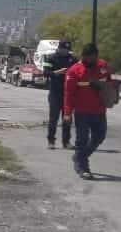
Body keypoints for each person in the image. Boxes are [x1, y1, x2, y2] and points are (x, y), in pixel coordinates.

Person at [63, 43, 111, 179]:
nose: (90, 60)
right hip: (82, 111)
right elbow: (68, 94)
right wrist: (67, 113)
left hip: (99, 109)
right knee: (82, 139)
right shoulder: (74, 71)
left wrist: (104, 87)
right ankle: (83, 168)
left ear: (96, 57)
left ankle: (79, 156)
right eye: (87, 58)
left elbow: (109, 82)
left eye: (92, 58)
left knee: (100, 136)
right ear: (83, 57)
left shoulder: (103, 66)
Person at [43, 40, 77, 149]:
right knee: (54, 118)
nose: (65, 51)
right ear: (59, 48)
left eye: (67, 49)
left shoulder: (73, 59)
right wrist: (58, 72)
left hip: (68, 93)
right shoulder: (51, 58)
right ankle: (51, 141)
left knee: (67, 118)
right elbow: (46, 73)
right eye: (63, 49)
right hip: (55, 93)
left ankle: (66, 141)